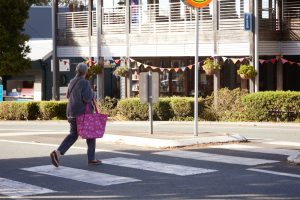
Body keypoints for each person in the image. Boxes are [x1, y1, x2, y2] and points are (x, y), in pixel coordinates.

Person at [50, 63, 101, 167]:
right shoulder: (85, 83)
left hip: (71, 112)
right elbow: (87, 98)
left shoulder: (71, 82)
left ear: (76, 71)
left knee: (73, 135)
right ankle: (91, 159)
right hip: (82, 113)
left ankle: (58, 153)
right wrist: (93, 93)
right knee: (90, 135)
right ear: (86, 72)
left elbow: (68, 95)